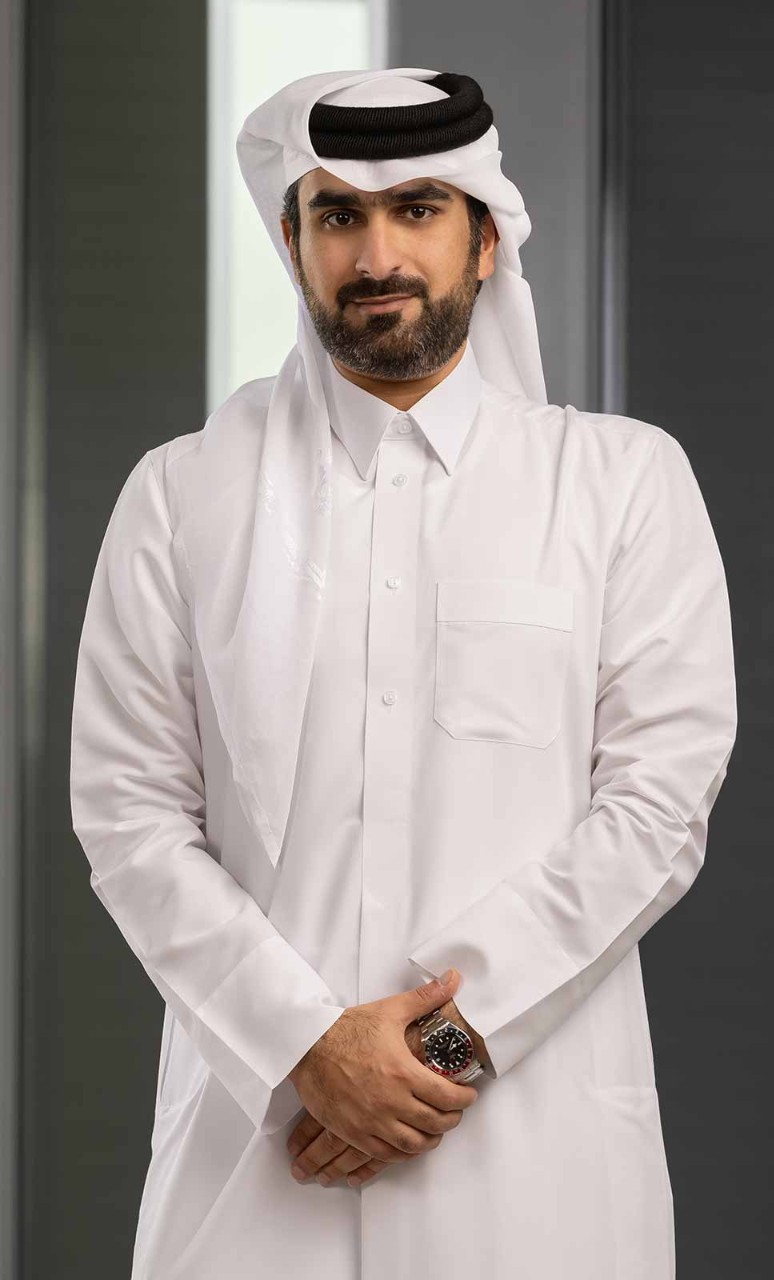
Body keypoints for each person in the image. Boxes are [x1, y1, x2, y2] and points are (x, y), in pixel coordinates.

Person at [69, 67, 738, 1280]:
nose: (376, 254)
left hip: (532, 1177)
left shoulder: (620, 485)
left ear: (483, 239)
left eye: (416, 209)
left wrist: (437, 1047)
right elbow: (129, 815)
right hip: (259, 1166)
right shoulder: (178, 496)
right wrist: (305, 1045)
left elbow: (655, 807)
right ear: (292, 244)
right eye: (337, 214)